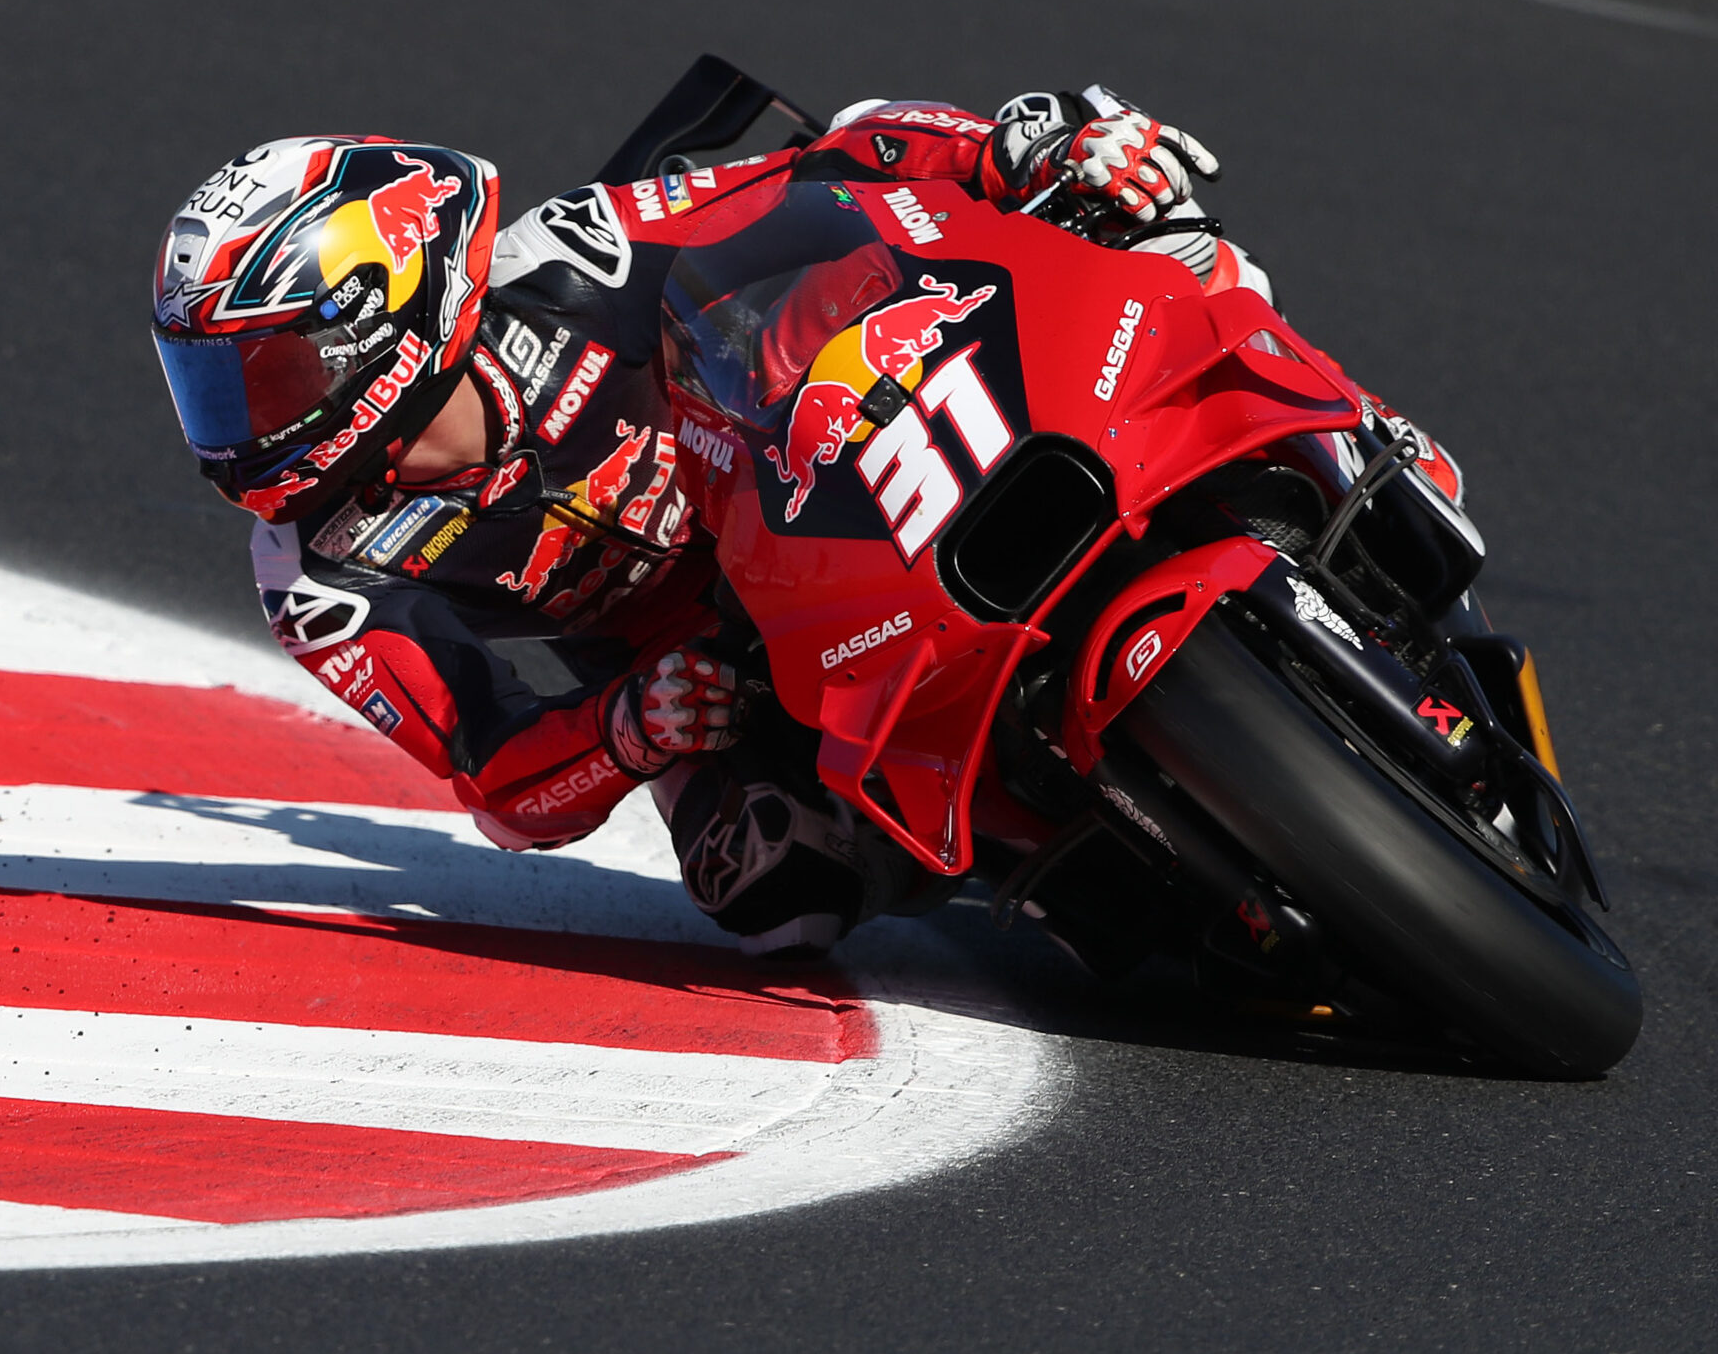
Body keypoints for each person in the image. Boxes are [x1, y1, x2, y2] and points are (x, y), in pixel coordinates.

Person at [149, 85, 1267, 958]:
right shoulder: (315, 573)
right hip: (709, 664)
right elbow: (497, 785)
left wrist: (1006, 151)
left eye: (269, 373)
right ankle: (1032, 857)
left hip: (813, 473)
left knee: (1119, 224)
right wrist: (631, 728)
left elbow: (831, 159)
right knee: (773, 889)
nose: (239, 427)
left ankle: (1259, 399)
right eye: (213, 386)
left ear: (384, 310)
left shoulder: (572, 257)